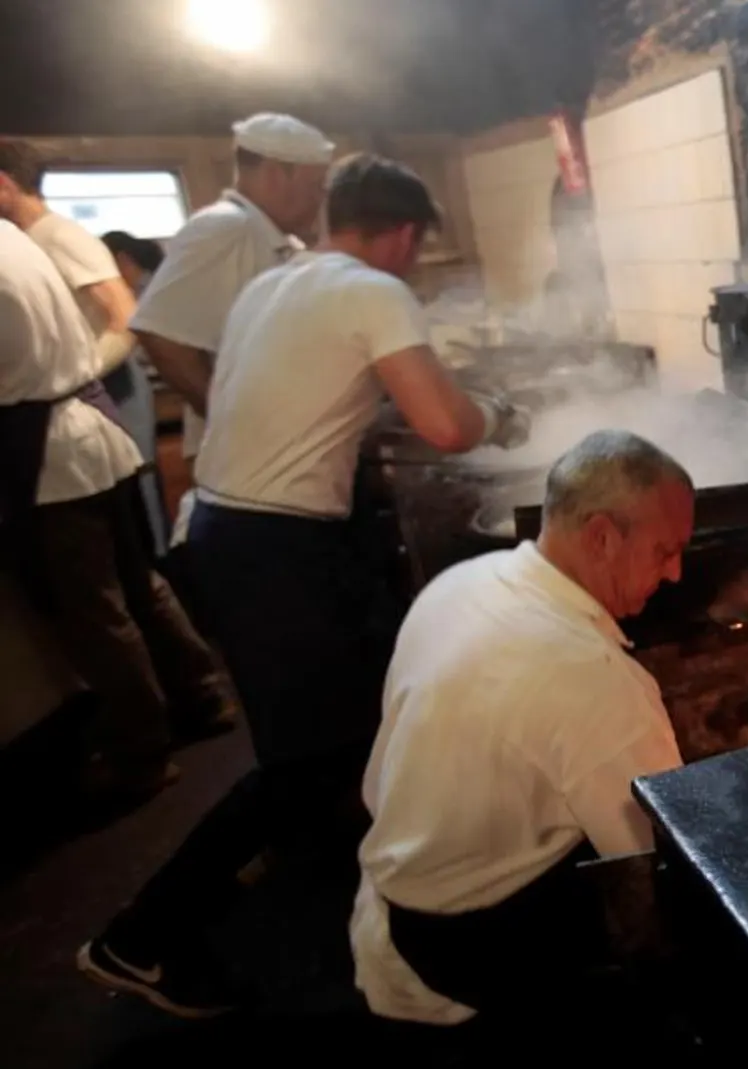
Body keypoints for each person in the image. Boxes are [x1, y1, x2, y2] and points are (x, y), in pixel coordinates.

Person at [77, 154, 530, 1018]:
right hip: (273, 550)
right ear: (401, 234)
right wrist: (498, 417)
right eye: (413, 246)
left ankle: (375, 878)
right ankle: (139, 936)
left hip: (222, 531)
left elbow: (333, 394)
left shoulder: (275, 285)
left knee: (352, 720)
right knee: (305, 758)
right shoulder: (372, 289)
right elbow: (444, 424)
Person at [353, 430, 692, 1029]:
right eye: (665, 551)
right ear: (603, 537)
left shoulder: (465, 581)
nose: (676, 574)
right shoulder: (595, 681)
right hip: (469, 931)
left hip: (397, 881)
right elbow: (658, 869)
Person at [0, 219, 216, 801]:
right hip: (88, 431)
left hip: (51, 455)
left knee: (94, 614)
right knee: (138, 584)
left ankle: (142, 753)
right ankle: (203, 695)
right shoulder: (11, 237)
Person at [130, 112, 333, 545]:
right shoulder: (223, 228)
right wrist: (229, 418)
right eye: (317, 187)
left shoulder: (274, 240)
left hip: (283, 462)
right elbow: (158, 331)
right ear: (279, 174)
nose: (321, 199)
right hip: (248, 473)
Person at [98, 230, 172, 555]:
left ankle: (156, 553)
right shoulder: (157, 286)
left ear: (123, 261)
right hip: (150, 392)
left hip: (151, 394)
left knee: (143, 476)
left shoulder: (147, 295)